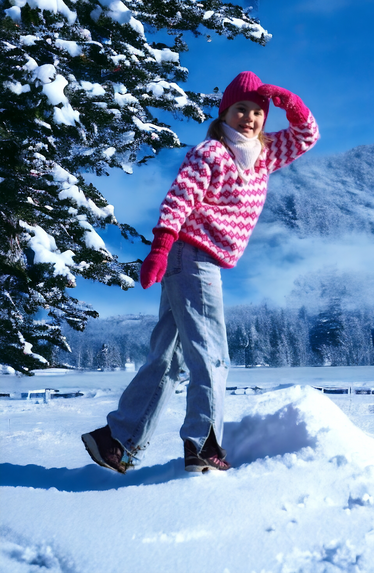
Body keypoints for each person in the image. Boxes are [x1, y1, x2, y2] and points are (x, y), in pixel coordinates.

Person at [82, 71, 319, 474]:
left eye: (257, 112)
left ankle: (116, 439)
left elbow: (306, 135)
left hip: (198, 259)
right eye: (240, 109)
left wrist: (290, 103)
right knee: (212, 353)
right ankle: (203, 444)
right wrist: (160, 246)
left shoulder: (263, 156)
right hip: (191, 255)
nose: (249, 118)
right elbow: (180, 198)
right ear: (225, 113)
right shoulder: (210, 153)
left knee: (169, 356)